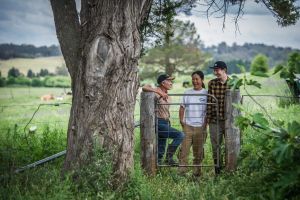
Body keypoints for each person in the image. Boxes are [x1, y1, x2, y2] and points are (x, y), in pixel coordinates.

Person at [142, 74, 185, 165]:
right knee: (180, 135)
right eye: (169, 81)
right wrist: (159, 93)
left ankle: (158, 166)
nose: (171, 83)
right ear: (163, 82)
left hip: (166, 122)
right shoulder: (156, 91)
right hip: (159, 122)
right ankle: (169, 158)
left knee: (161, 146)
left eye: (171, 81)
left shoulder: (168, 94)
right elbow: (144, 87)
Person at [179, 71, 208, 177]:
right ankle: (182, 173)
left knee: (198, 152)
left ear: (202, 80)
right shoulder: (187, 92)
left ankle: (196, 173)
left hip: (200, 127)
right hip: (188, 125)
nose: (194, 81)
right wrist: (182, 121)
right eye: (193, 79)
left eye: (197, 79)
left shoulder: (206, 93)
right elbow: (182, 107)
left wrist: (205, 125)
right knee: (184, 151)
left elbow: (208, 111)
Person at [206, 61, 230, 174]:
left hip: (229, 121)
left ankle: (230, 167)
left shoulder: (233, 83)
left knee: (230, 144)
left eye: (217, 70)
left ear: (224, 70)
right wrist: (208, 118)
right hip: (215, 120)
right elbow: (209, 101)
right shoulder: (212, 83)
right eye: (214, 70)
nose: (215, 72)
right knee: (216, 145)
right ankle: (218, 170)